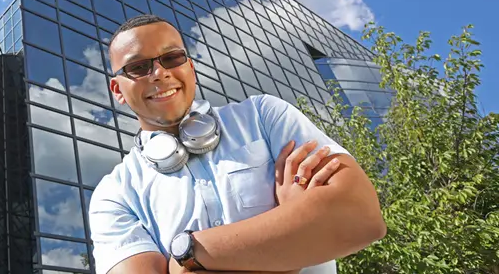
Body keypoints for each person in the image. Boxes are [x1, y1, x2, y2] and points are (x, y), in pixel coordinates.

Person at [88, 15, 386, 274]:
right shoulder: (114, 194)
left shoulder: (265, 115)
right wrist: (294, 237)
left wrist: (188, 256)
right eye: (138, 67)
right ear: (118, 90)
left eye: (172, 58)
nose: (159, 73)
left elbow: (360, 216)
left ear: (190, 68)